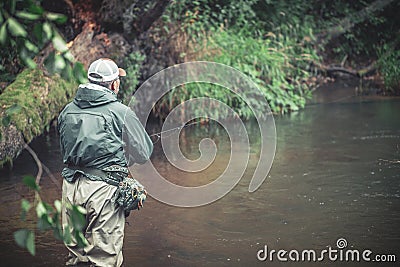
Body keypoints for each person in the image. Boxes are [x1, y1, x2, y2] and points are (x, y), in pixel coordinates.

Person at [58, 58, 153, 266]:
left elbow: (66, 149)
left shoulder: (67, 111)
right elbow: (144, 153)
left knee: (76, 258)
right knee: (103, 259)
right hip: (103, 193)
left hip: (70, 189)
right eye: (118, 80)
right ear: (113, 84)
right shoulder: (120, 112)